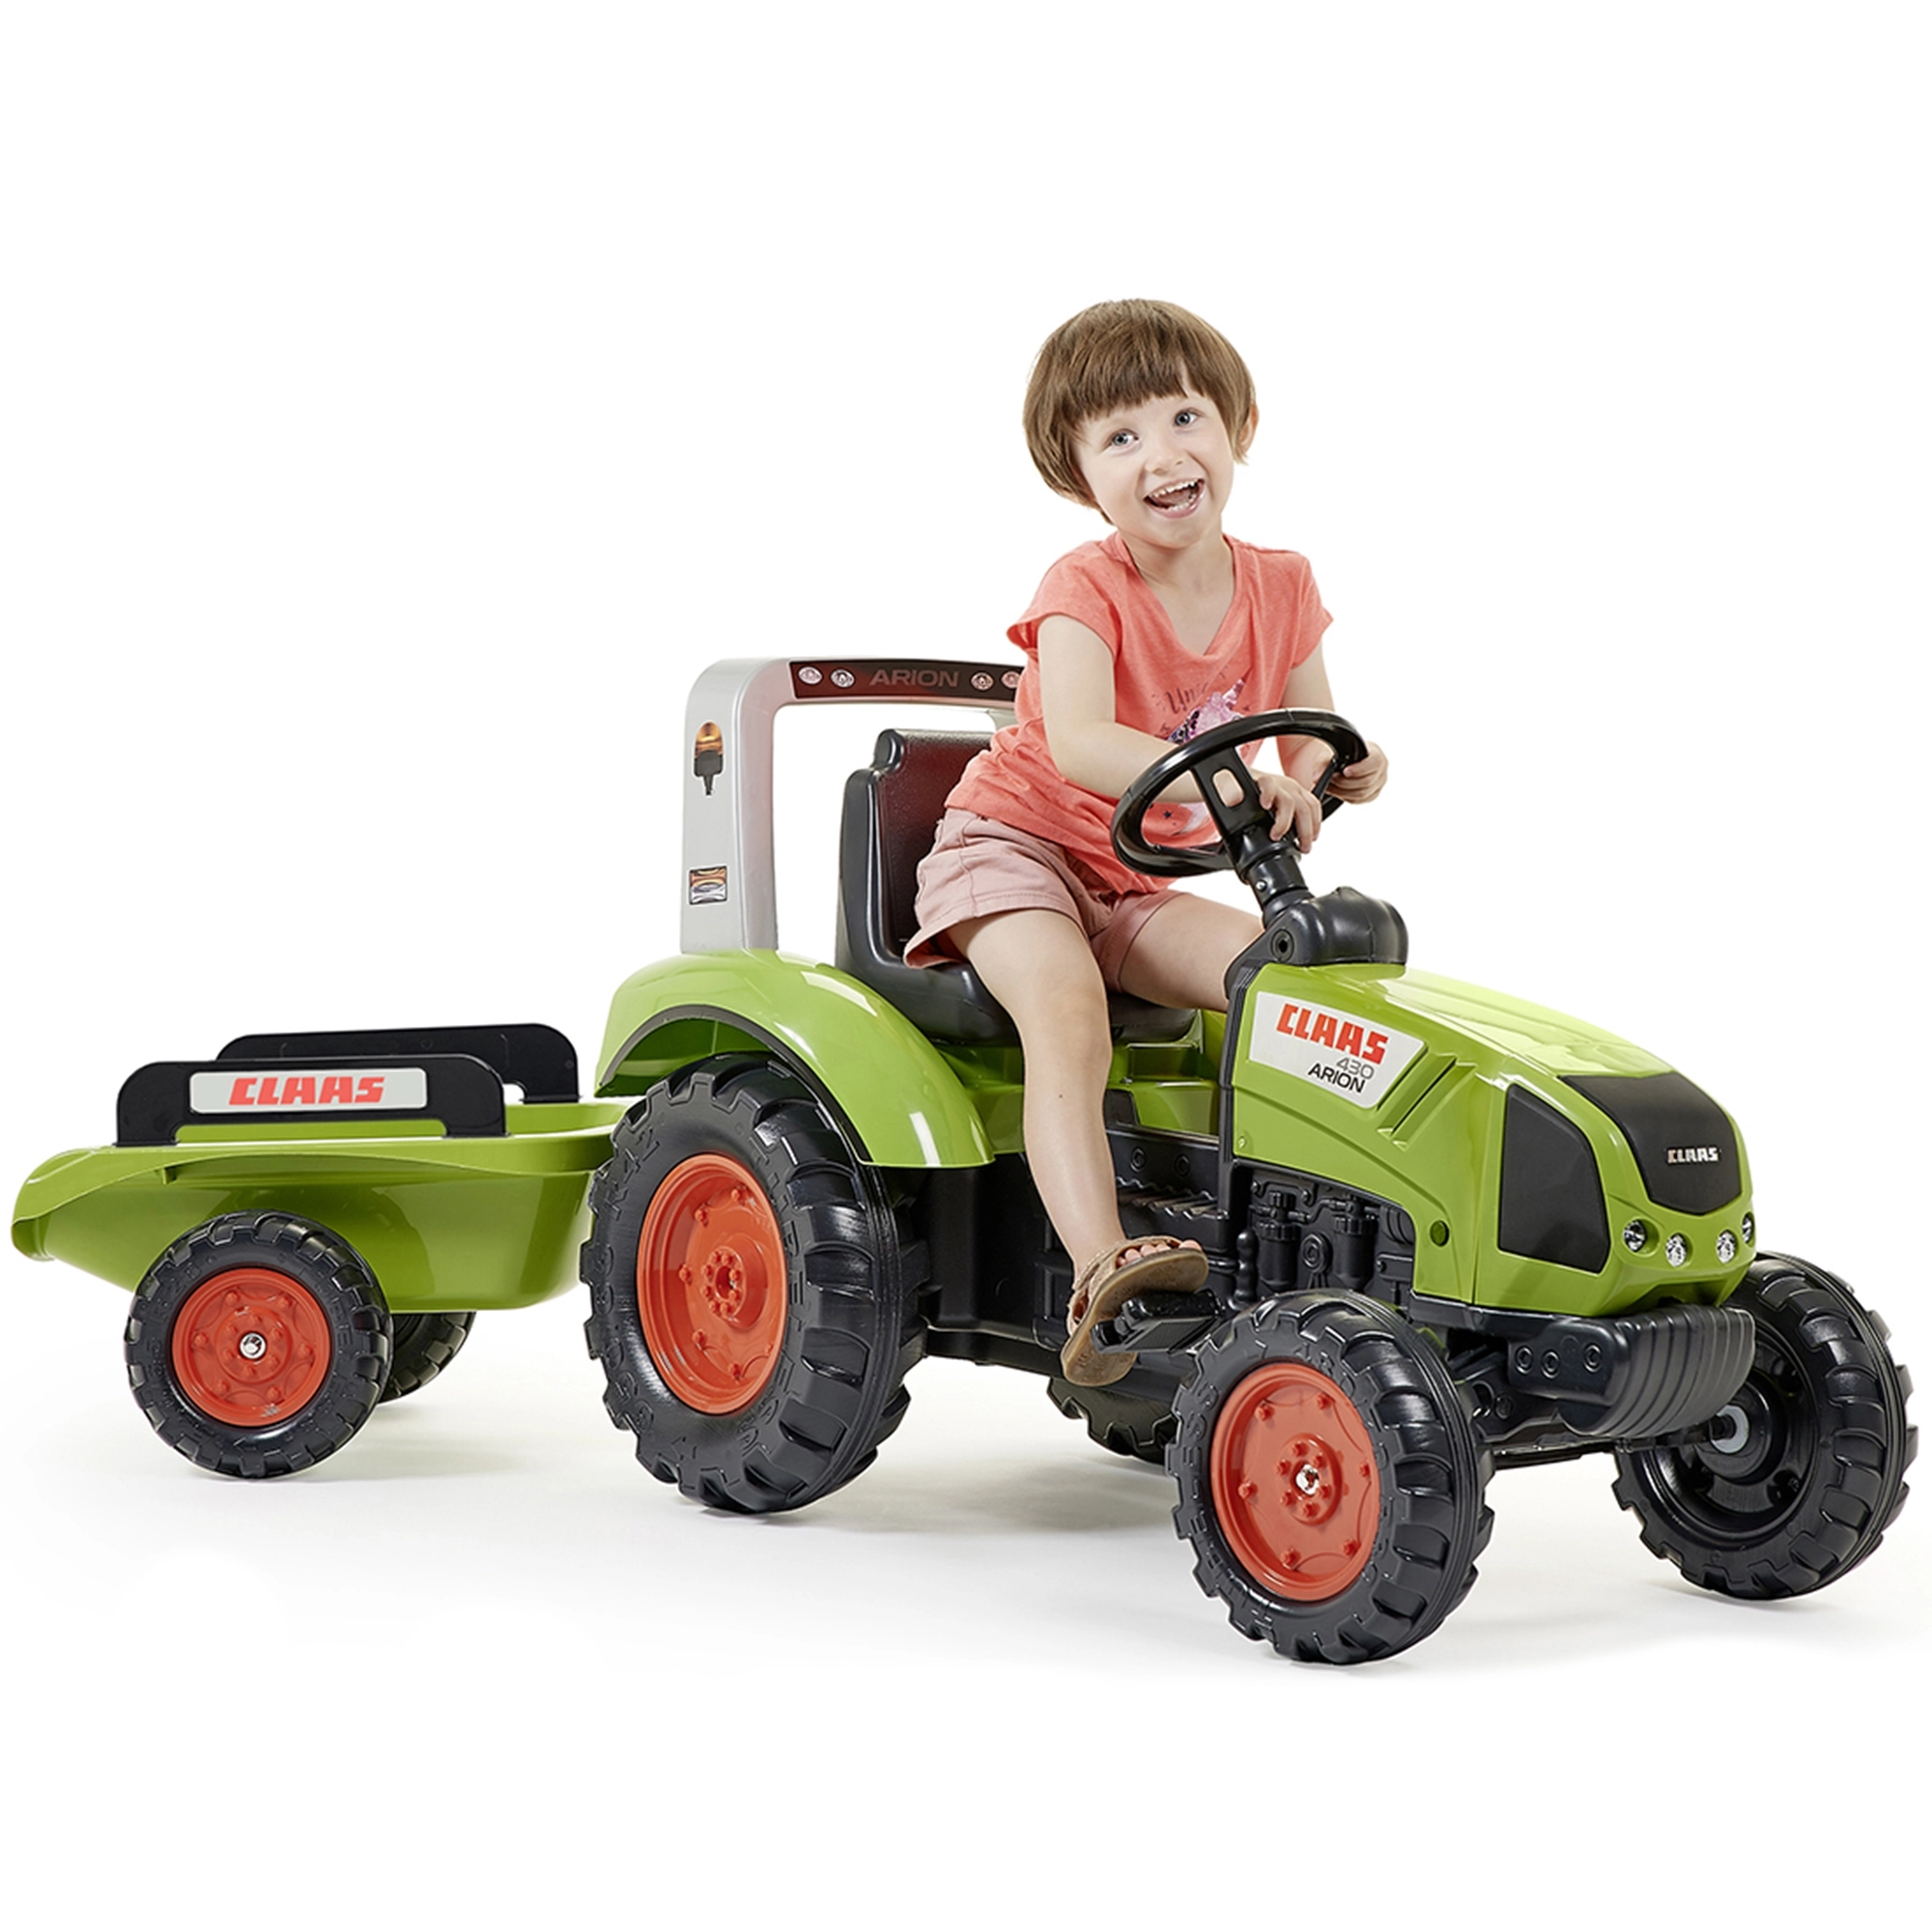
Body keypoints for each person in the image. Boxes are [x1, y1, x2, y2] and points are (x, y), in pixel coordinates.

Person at [905, 299, 1388, 1387]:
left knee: (1286, 985)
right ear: (1077, 473)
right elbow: (1078, 740)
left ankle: (1289, 1237)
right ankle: (1100, 1264)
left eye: (1183, 418)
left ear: (1238, 427)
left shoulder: (1282, 583)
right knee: (1067, 1011)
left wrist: (1333, 769)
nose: (1162, 455)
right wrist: (1235, 778)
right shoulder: (1083, 588)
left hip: (1136, 878)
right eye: (1120, 436)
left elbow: (1308, 730)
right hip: (1015, 850)